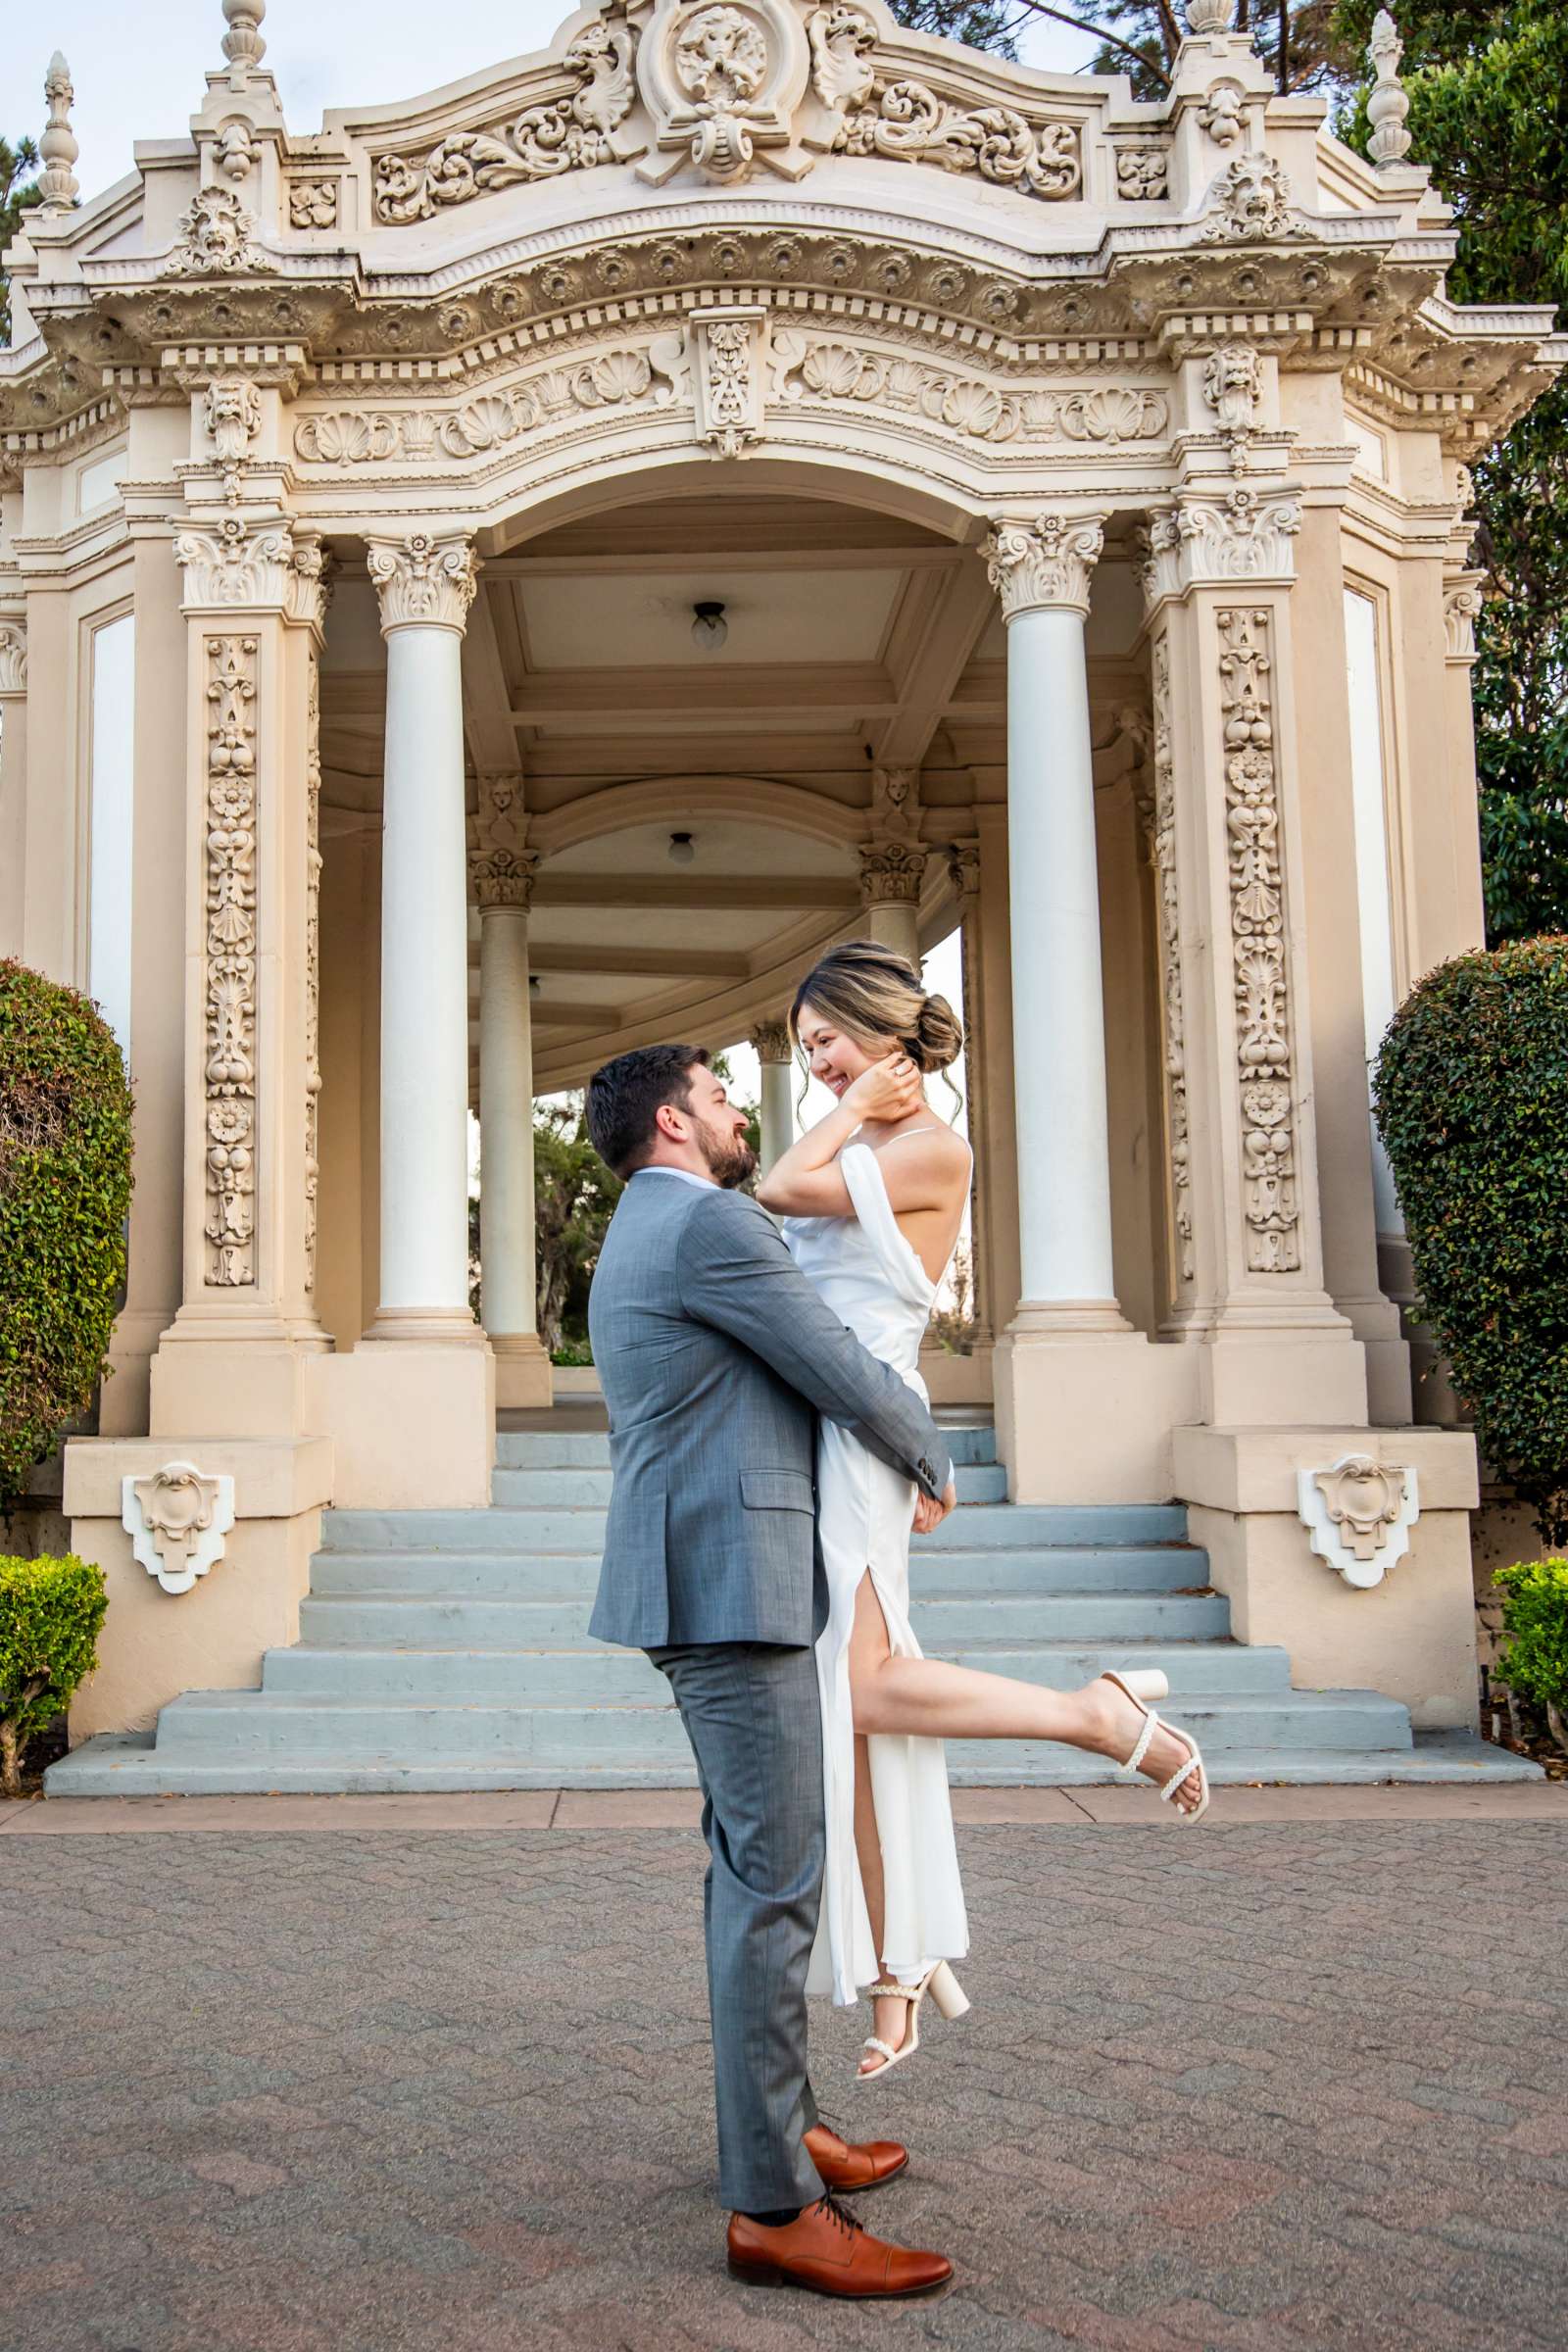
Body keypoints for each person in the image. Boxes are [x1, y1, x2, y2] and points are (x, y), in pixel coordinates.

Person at [756, 942, 1208, 2083]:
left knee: (861, 1688)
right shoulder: (863, 1136)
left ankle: (1095, 1718)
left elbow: (775, 1191)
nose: (815, 1063)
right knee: (849, 1707)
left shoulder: (929, 1146)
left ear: (883, 1033)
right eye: (804, 1048)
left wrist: (855, 1104)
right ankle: (897, 1966)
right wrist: (848, 1104)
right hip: (822, 1423)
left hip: (861, 1424)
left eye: (827, 1040)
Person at [583, 1042, 956, 2299]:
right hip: (728, 1584)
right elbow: (832, 1364)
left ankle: (780, 2128)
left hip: (704, 1573)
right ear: (675, 1125)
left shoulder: (651, 1225)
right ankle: (771, 2209)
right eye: (721, 1092)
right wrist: (930, 1454)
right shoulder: (706, 1228)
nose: (740, 1107)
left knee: (752, 1870)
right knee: (777, 1878)